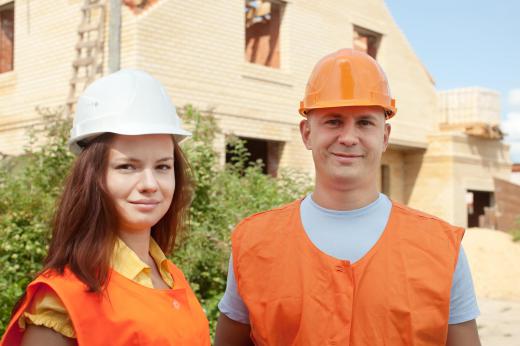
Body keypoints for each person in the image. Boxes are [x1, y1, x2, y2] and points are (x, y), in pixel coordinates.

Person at [214, 49, 481, 345]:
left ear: (384, 136)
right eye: (333, 121)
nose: (349, 137)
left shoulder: (441, 247)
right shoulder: (254, 242)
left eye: (365, 122)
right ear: (306, 133)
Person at [1, 70, 210, 345]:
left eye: (162, 166)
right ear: (93, 177)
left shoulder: (172, 277)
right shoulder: (63, 298)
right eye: (127, 166)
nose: (150, 184)